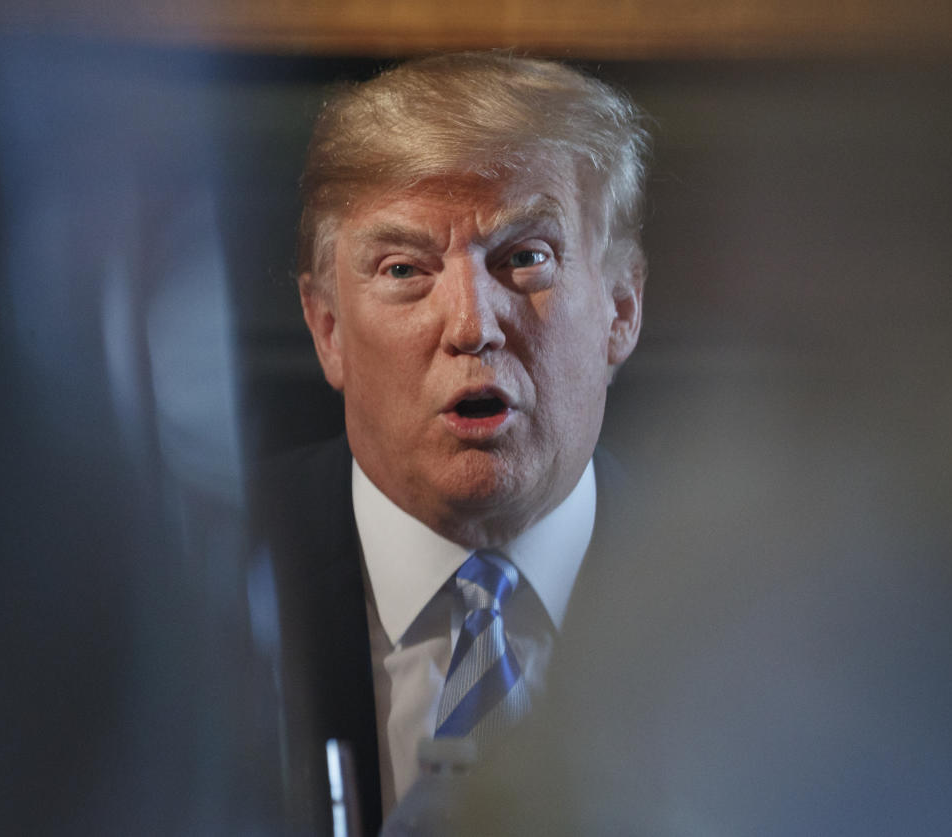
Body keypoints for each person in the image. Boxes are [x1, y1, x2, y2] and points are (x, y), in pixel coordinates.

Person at [247, 51, 650, 835]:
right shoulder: (200, 582)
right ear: (327, 328)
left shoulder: (758, 599)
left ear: (622, 308)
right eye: (404, 268)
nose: (470, 324)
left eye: (525, 257)